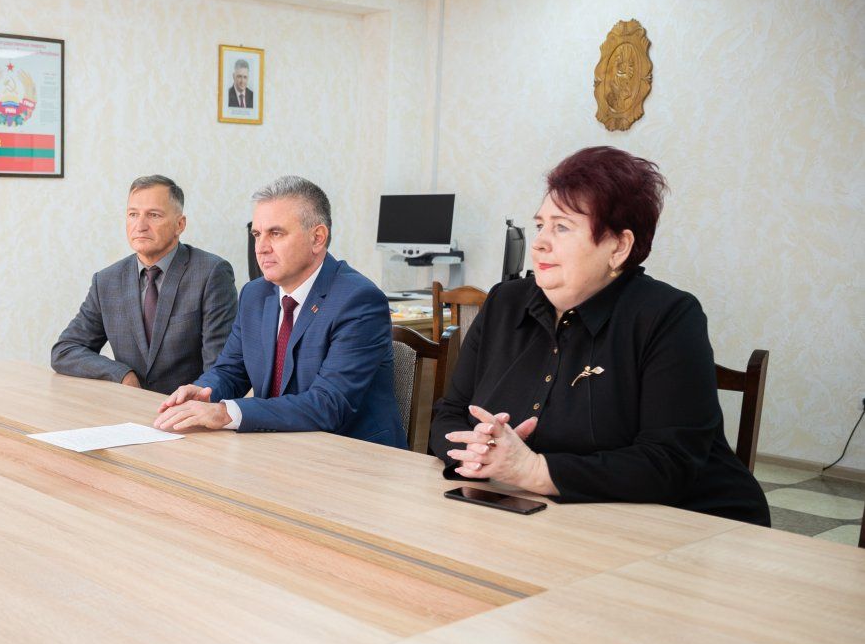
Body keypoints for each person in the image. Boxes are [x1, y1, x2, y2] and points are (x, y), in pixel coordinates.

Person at [429, 146, 769, 525]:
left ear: (619, 247)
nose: (539, 242)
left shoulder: (668, 316)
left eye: (562, 227)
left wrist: (534, 470)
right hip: (542, 518)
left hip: (689, 525)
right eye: (540, 225)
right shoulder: (504, 302)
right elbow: (450, 413)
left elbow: (669, 462)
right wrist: (475, 450)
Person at [154, 175, 404, 446]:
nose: (261, 248)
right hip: (278, 445)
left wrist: (226, 412)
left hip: (352, 454)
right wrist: (204, 392)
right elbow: (231, 370)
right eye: (257, 235)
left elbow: (329, 404)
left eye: (276, 233)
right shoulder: (255, 294)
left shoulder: (359, 300)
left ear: (317, 238)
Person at [52, 175, 237, 394]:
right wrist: (121, 374)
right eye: (133, 214)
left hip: (188, 408)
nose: (140, 226)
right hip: (128, 407)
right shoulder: (107, 281)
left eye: (153, 215)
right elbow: (65, 350)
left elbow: (220, 369)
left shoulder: (211, 273)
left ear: (180, 224)